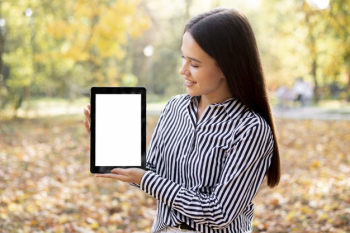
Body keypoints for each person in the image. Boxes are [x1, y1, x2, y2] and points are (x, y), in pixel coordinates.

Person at [83, 7, 280, 233]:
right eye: (183, 58)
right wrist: (111, 145)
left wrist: (148, 179)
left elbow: (219, 213)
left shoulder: (250, 129)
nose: (182, 70)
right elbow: (150, 173)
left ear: (227, 66)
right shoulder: (174, 108)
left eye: (194, 64)